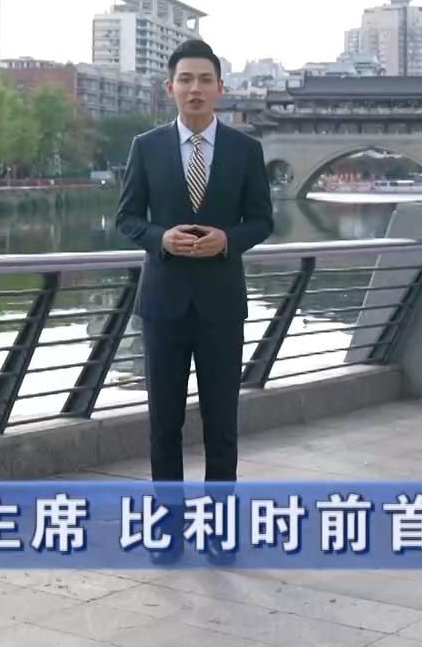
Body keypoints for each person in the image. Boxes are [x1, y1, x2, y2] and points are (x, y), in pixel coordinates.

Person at [115, 39, 273, 564]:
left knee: (221, 426)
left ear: (220, 88)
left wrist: (229, 239)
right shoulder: (147, 146)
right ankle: (167, 532)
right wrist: (160, 238)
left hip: (221, 306)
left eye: (205, 79)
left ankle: (221, 533)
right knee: (164, 425)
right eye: (186, 79)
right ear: (170, 88)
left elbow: (262, 220)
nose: (195, 89)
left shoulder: (245, 150)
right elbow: (127, 217)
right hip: (163, 305)